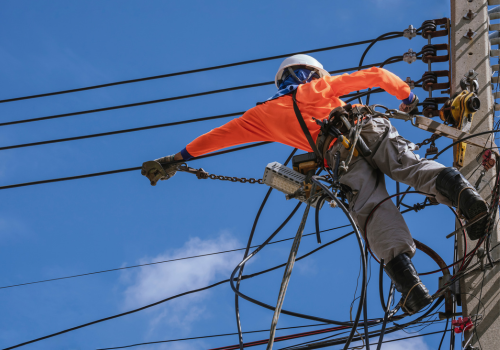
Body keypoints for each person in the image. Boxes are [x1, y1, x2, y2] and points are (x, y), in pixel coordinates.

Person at [141, 54, 488, 315]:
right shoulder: (316, 88)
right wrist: (408, 98)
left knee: (371, 209)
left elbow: (218, 138)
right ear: (312, 74)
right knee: (410, 168)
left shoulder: (261, 116)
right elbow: (378, 75)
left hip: (338, 153)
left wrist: (176, 159)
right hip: (364, 127)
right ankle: (467, 200)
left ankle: (409, 284)